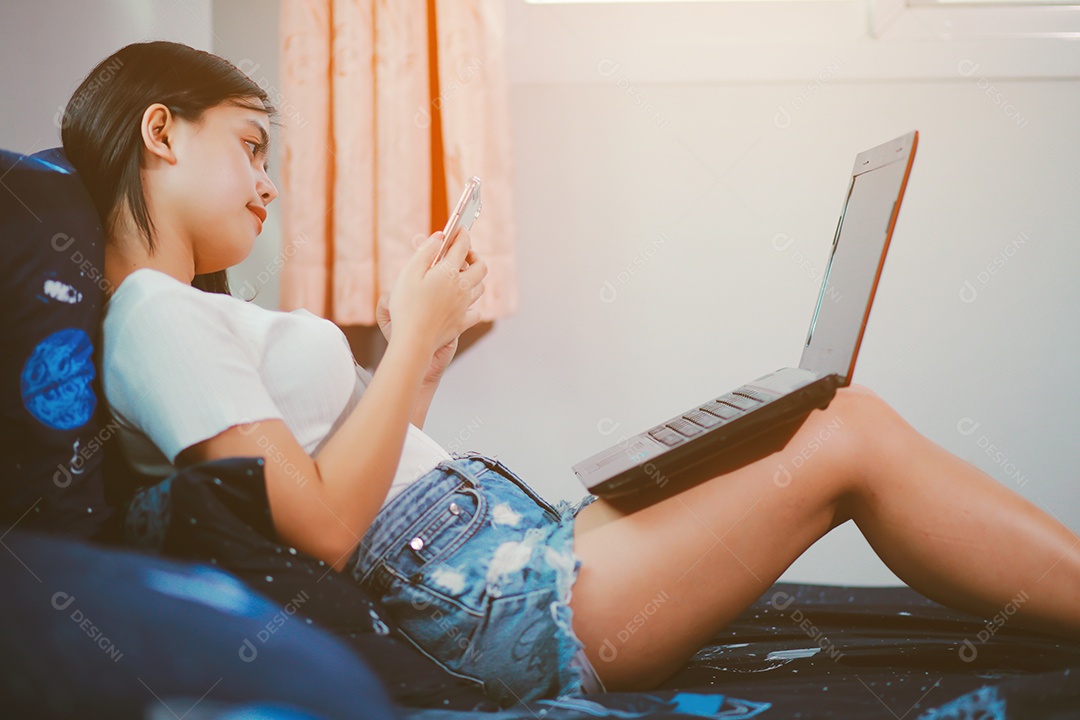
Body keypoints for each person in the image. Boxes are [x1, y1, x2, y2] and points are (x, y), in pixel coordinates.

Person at [64, 40, 1080, 706]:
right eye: (250, 147)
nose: (267, 183)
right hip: (501, 606)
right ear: (160, 130)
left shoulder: (191, 313)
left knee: (801, 422)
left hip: (508, 545)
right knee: (845, 431)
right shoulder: (153, 316)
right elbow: (320, 530)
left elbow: (342, 483)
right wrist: (408, 342)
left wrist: (423, 358)